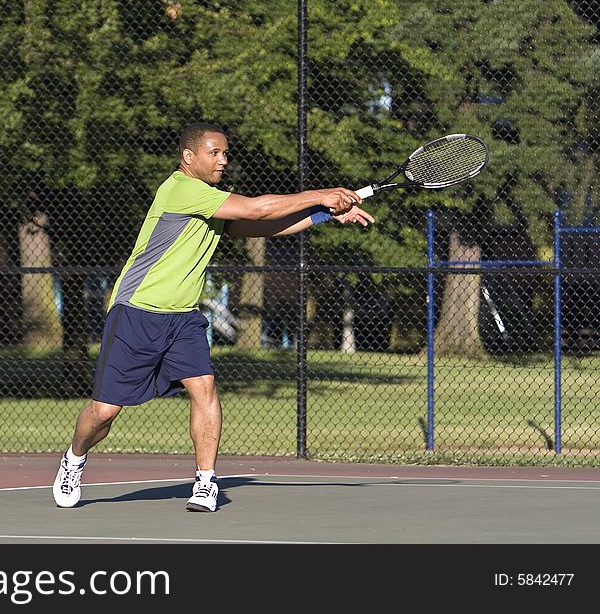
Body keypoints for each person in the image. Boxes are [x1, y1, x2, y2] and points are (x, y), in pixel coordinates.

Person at [52, 122, 374, 512]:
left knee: (204, 387)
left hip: (183, 318)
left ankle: (206, 482)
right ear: (189, 158)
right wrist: (322, 195)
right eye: (214, 153)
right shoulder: (182, 190)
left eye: (225, 153)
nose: (223, 160)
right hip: (137, 312)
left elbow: (266, 225)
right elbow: (260, 207)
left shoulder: (212, 202)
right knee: (104, 413)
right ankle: (74, 458)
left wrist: (323, 215)